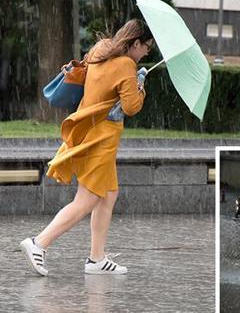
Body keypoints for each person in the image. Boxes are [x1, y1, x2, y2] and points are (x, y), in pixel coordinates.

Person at [19, 19, 154, 276]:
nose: (147, 51)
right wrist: (140, 86)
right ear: (135, 42)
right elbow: (131, 107)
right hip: (101, 140)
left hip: (87, 129)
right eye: (146, 46)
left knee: (109, 194)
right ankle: (39, 243)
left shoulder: (100, 48)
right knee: (86, 200)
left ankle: (97, 259)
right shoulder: (126, 64)